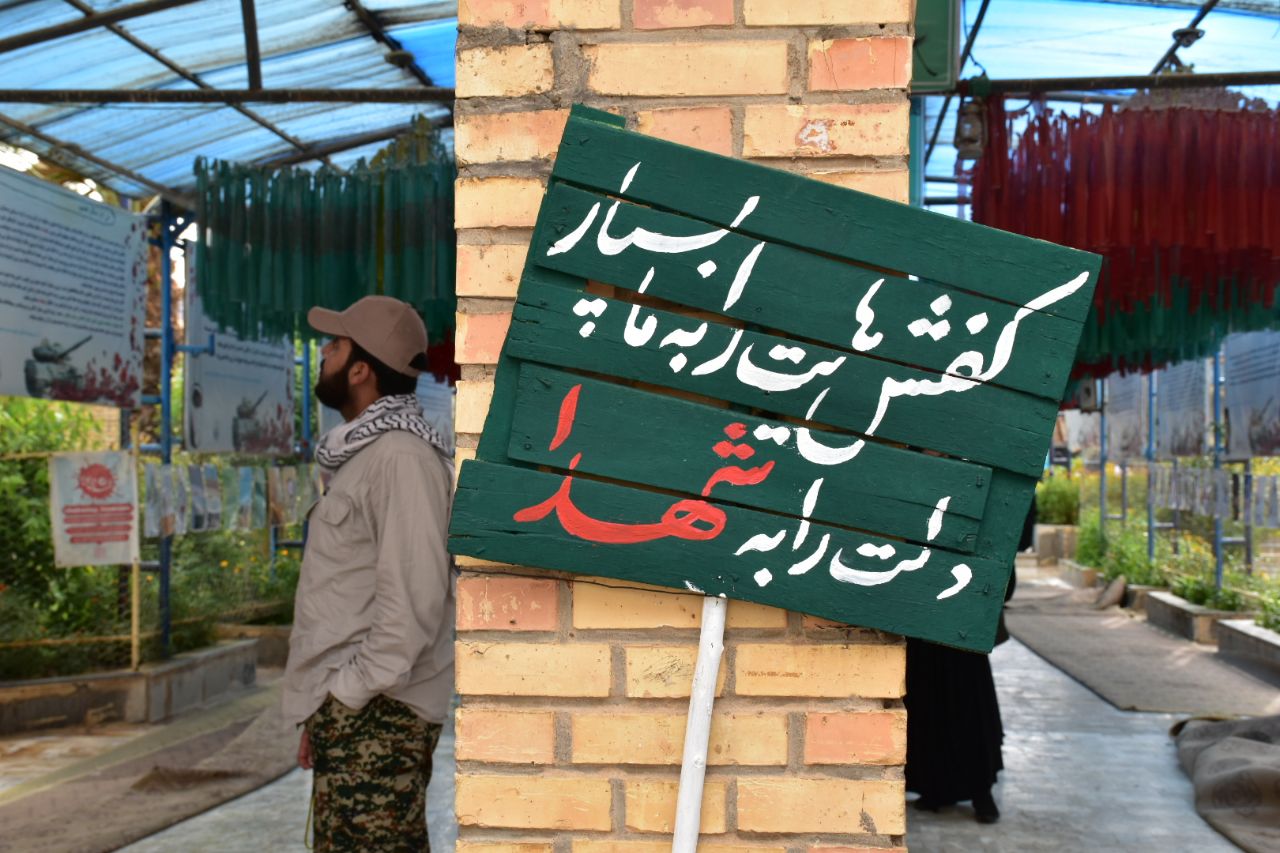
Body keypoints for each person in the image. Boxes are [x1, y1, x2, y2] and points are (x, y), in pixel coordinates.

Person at [281, 295, 455, 852]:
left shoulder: (401, 458)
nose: (323, 354)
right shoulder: (365, 455)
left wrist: (346, 694)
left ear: (360, 370)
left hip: (381, 712)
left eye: (334, 345)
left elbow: (414, 601)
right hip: (359, 713)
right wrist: (323, 710)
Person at [904, 503, 1032, 824]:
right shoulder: (918, 471)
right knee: (926, 697)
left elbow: (1014, 529)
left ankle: (980, 791)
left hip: (963, 611)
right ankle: (935, 788)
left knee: (968, 703)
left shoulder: (973, 476)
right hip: (923, 608)